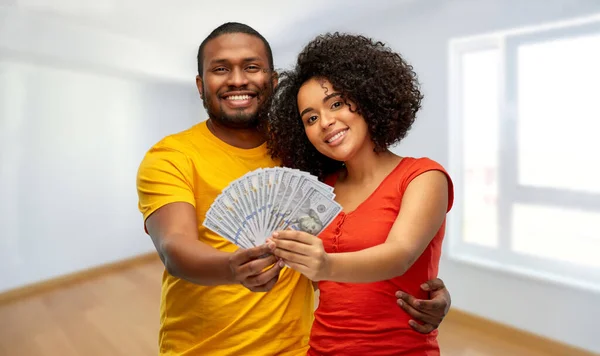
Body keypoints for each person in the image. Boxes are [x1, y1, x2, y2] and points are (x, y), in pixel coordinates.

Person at [136, 22, 451, 356]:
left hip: (299, 348)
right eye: (220, 69)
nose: (238, 79)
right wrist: (231, 268)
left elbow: (377, 245)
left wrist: (429, 291)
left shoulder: (304, 163)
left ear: (272, 83)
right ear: (201, 85)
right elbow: (175, 247)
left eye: (252, 67)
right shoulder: (171, 156)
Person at [265, 32, 454, 355]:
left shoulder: (423, 176)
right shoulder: (319, 190)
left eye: (336, 103)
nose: (325, 122)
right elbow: (318, 282)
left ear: (366, 98)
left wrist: (325, 264)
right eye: (310, 118)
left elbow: (400, 255)